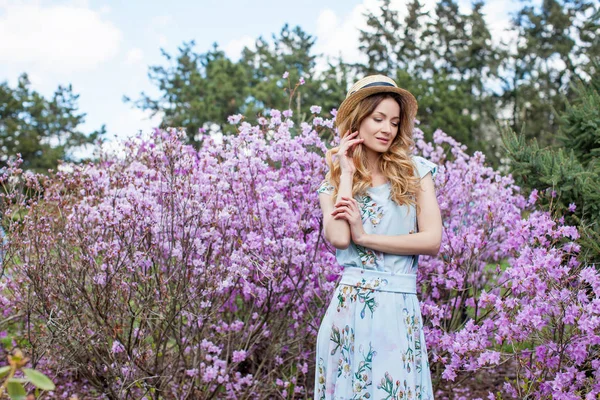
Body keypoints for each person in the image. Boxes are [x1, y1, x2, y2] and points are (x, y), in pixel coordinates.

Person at [314, 75, 441, 399]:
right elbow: (340, 238)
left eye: (395, 122)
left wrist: (366, 237)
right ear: (358, 120)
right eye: (378, 118)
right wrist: (346, 173)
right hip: (349, 311)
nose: (387, 129)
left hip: (398, 309)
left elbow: (431, 241)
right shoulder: (332, 185)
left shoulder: (415, 171)